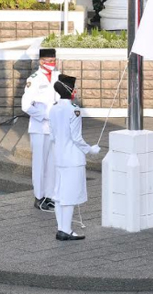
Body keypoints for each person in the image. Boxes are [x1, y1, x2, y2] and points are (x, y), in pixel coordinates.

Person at [49, 75, 100, 241]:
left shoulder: (54, 109)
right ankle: (66, 230)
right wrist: (90, 150)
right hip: (73, 159)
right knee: (69, 195)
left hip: (59, 157)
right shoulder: (74, 110)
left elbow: (52, 135)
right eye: (74, 88)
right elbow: (76, 137)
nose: (76, 91)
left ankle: (61, 228)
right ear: (70, 90)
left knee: (58, 194)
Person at [21, 48, 60, 211]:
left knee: (52, 164)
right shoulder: (34, 79)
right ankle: (39, 197)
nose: (52, 62)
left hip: (54, 128)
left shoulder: (58, 76)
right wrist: (44, 115)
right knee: (39, 164)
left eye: (54, 59)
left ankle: (49, 196)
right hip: (39, 127)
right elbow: (25, 105)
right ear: (41, 61)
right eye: (49, 60)